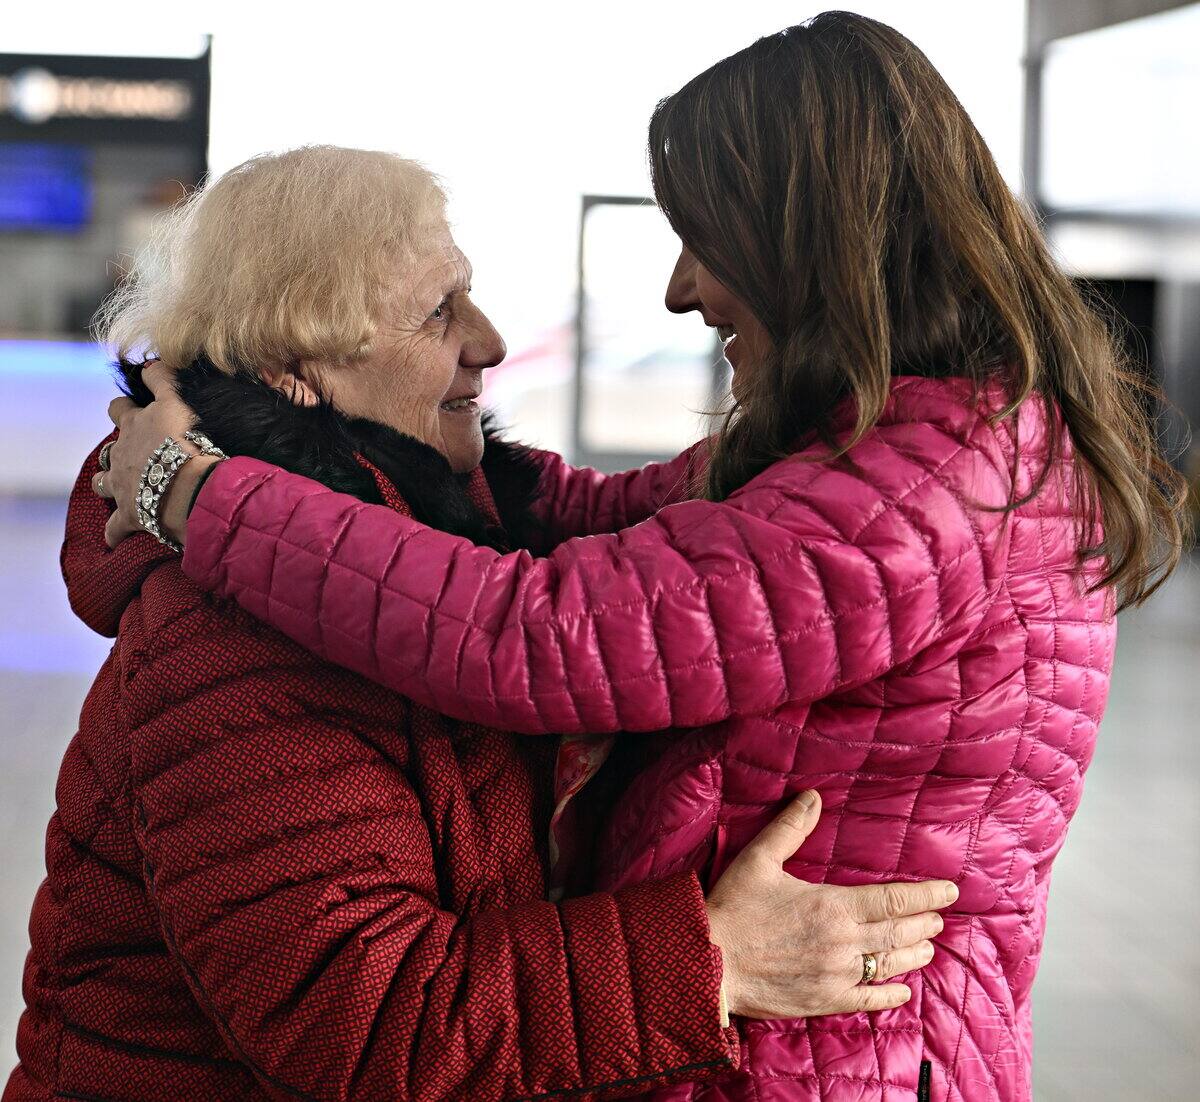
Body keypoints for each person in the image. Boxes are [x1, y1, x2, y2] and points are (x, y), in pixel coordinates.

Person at [95, 14, 1190, 1101]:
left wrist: (195, 491)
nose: (680, 289)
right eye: (437, 310)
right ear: (295, 365)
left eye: (706, 236)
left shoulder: (916, 485)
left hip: (833, 1064)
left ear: (807, 240)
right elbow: (604, 527)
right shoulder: (917, 450)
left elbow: (537, 635)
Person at [6, 146, 953, 1102]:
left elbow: (680, 525)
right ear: (294, 371)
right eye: (437, 312)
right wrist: (712, 960)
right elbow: (367, 1023)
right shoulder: (235, 634)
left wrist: (914, 432)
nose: (490, 343)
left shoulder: (442, 531)